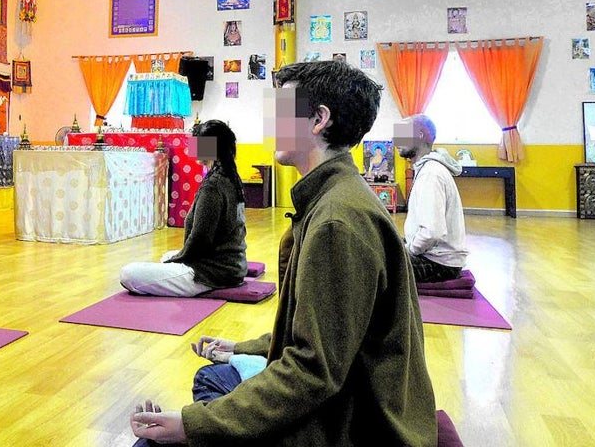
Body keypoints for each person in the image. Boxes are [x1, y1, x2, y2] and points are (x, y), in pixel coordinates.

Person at [130, 60, 436, 446]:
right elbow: (323, 332)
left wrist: (192, 425)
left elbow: (312, 372)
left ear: (318, 120)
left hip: (354, 423)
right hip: (346, 396)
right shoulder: (334, 199)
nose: (271, 124)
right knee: (214, 377)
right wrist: (247, 348)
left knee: (154, 440)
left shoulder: (336, 222)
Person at [119, 119, 248, 296]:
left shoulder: (213, 186)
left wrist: (179, 259)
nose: (191, 148)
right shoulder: (230, 178)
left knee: (129, 273)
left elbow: (201, 239)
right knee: (166, 256)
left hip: (212, 273)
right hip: (233, 266)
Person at [397, 114, 467, 283]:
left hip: (438, 264)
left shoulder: (431, 174)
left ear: (420, 135)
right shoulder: (427, 169)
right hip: (432, 256)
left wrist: (408, 251)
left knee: (371, 265)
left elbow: (432, 232)